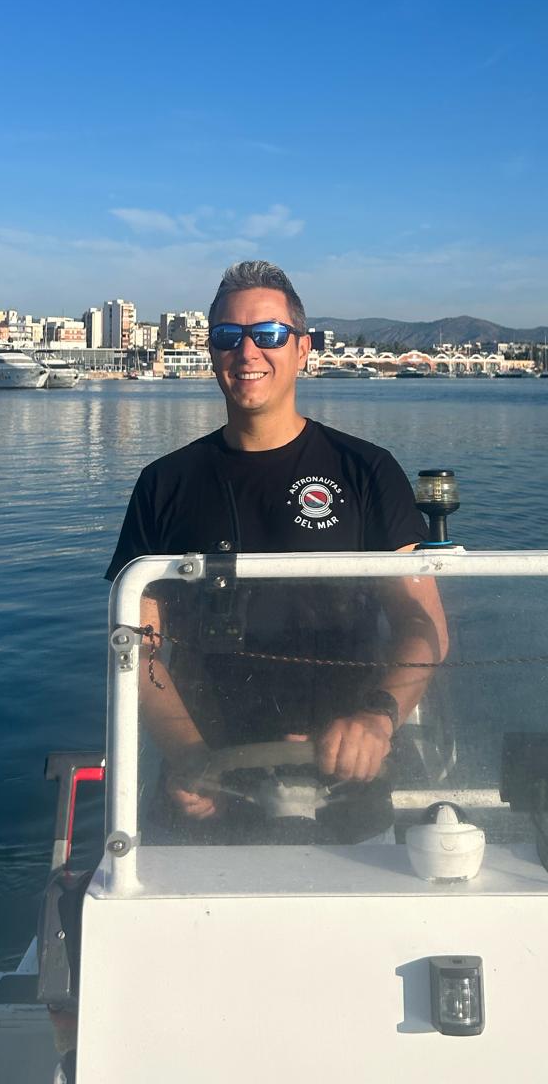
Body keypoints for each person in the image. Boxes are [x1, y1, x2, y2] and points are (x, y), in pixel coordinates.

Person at [105, 259, 448, 840]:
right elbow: (135, 648)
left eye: (268, 335)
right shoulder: (164, 485)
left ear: (303, 348)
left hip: (347, 789)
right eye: (227, 337)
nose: (247, 353)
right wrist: (190, 754)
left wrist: (377, 718)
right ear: (211, 350)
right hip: (205, 795)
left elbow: (423, 624)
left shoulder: (365, 472)